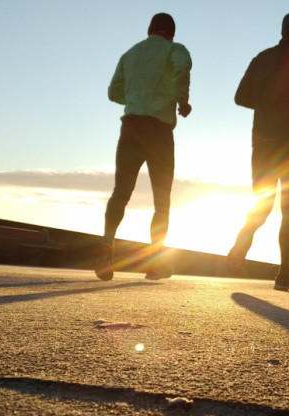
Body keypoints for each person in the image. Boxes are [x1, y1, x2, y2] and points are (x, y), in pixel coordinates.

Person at [226, 12, 289, 291]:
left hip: (263, 143)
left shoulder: (261, 58)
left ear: (282, 30)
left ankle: (240, 245)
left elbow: (239, 97)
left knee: (263, 202)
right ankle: (283, 274)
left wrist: (267, 103)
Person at [95, 13, 192, 281]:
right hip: (159, 131)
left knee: (120, 193)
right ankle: (155, 263)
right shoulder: (175, 50)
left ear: (149, 30)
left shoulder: (130, 53)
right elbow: (182, 69)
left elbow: (113, 92)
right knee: (162, 202)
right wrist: (181, 100)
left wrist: (137, 97)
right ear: (171, 33)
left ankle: (107, 243)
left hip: (131, 127)